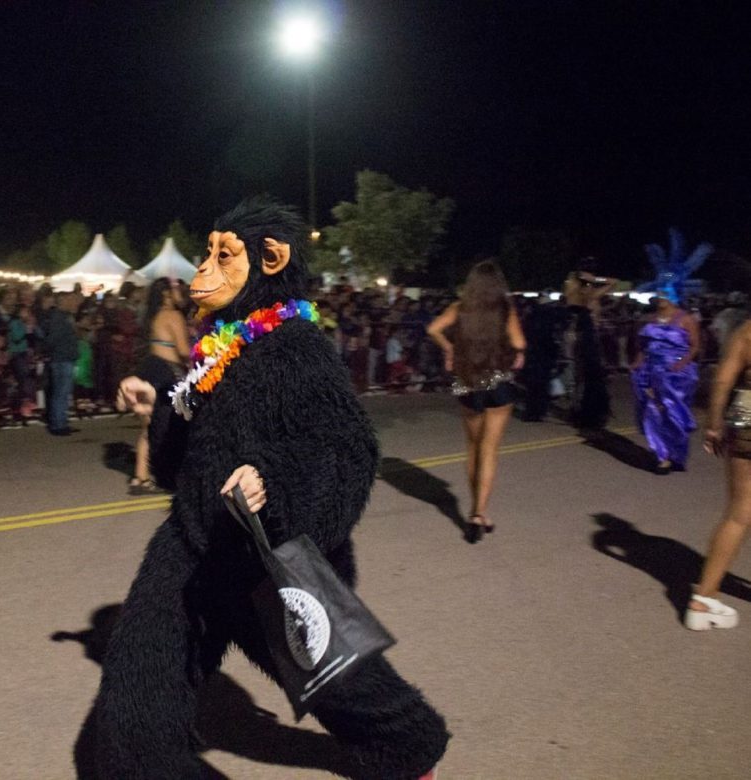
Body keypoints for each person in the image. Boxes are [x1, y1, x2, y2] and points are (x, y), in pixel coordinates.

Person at [91, 198, 447, 779]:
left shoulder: (298, 348)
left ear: (271, 259)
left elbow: (350, 453)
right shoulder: (220, 345)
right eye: (208, 252)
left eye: (222, 255)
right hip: (192, 543)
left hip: (266, 557)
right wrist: (159, 402)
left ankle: (407, 748)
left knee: (336, 680)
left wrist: (273, 484)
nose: (202, 268)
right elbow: (191, 442)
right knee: (138, 689)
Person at [427, 260, 526, 542]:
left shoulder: (460, 308)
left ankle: (475, 512)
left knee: (472, 447)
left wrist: (450, 348)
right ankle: (478, 513)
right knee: (490, 449)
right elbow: (520, 344)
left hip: (468, 382)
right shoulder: (505, 309)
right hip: (497, 381)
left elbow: (432, 329)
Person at [689, 320, 751, 630]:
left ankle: (703, 600)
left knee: (739, 513)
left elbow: (723, 381)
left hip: (746, 419)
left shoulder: (746, 331)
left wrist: (714, 423)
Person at [128, 277, 189, 493]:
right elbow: (183, 351)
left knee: (148, 427)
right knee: (173, 425)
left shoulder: (153, 317)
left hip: (149, 370)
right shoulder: (173, 316)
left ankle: (140, 478)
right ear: (166, 295)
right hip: (168, 374)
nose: (181, 293)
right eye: (177, 290)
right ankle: (171, 476)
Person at [631, 288, 700, 473]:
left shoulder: (686, 319)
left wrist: (682, 363)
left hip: (677, 375)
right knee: (652, 411)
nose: (662, 298)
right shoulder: (651, 319)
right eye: (660, 294)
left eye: (667, 294)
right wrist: (638, 362)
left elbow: (695, 346)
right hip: (652, 371)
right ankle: (662, 456)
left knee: (672, 414)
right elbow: (644, 346)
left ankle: (676, 453)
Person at [562, 264, 617, 430]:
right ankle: (580, 409)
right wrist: (586, 279)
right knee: (582, 375)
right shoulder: (579, 296)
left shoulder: (592, 295)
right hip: (583, 338)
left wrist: (594, 279)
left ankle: (580, 408)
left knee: (585, 375)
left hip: (589, 337)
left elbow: (614, 282)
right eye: (588, 283)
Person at [41, 292, 80, 436]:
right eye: (72, 301)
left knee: (63, 393)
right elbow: (52, 339)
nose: (75, 304)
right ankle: (58, 425)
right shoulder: (59, 318)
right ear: (63, 302)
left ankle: (62, 422)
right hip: (61, 359)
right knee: (60, 393)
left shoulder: (64, 317)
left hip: (65, 358)